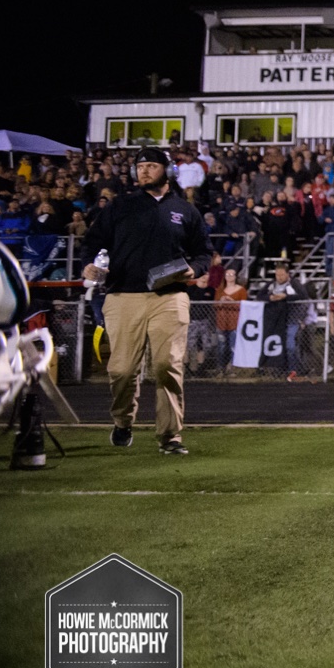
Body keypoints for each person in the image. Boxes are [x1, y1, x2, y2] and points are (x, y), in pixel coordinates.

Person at [81, 146, 212, 455]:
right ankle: (123, 421)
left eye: (151, 166)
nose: (144, 171)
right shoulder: (118, 207)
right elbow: (93, 243)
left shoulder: (186, 210)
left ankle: (170, 437)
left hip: (170, 296)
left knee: (168, 364)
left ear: (166, 171)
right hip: (122, 294)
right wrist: (89, 263)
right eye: (140, 167)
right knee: (123, 370)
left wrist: (196, 268)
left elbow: (204, 252)